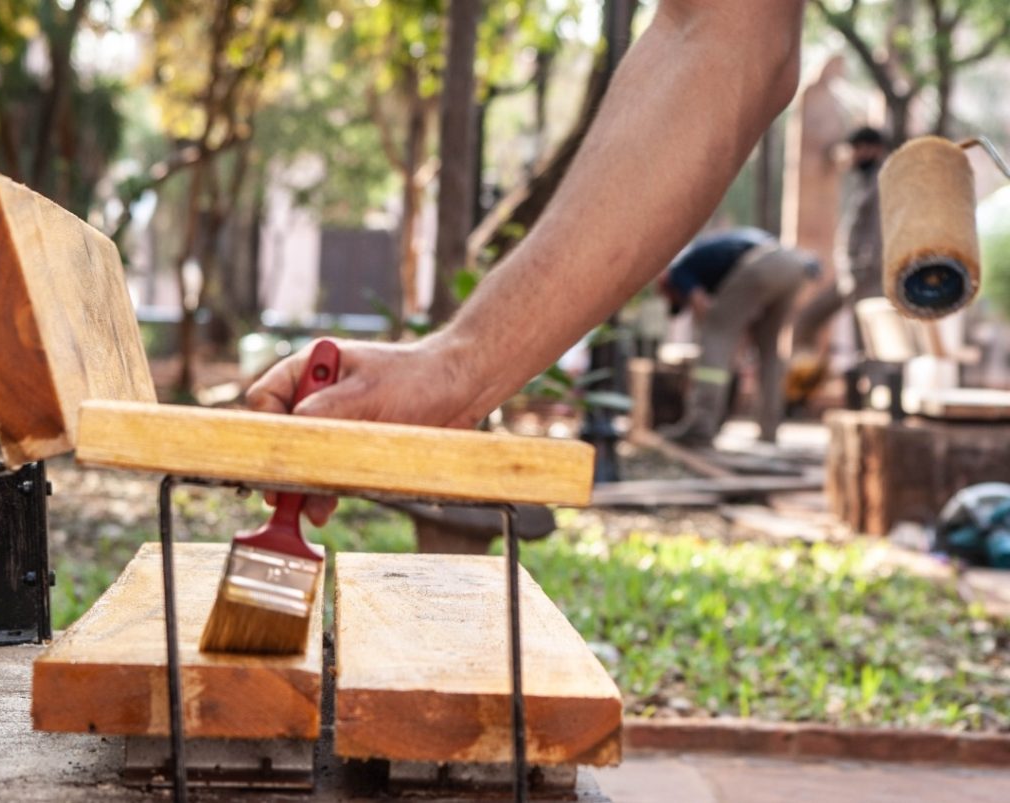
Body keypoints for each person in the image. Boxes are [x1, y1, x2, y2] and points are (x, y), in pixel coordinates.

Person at [249, 0, 808, 523]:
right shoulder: (696, 267)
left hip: (768, 266)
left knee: (721, 336)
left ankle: (710, 423)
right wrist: (454, 369)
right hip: (790, 266)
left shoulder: (683, 275)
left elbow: (724, 36)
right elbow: (720, 35)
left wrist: (455, 366)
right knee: (757, 347)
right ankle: (758, 424)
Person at [656, 228, 818, 446]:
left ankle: (701, 425)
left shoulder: (677, 271)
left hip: (763, 263)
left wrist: (719, 336)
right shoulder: (714, 264)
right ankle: (769, 429)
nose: (683, 305)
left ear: (668, 289)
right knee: (768, 348)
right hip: (793, 266)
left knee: (715, 333)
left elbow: (703, 308)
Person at [787, 125, 890, 399]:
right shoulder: (864, 182)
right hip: (849, 276)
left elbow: (879, 233)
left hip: (869, 277)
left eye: (858, 149)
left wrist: (863, 269)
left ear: (875, 150)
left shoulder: (884, 182)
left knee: (869, 340)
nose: (854, 156)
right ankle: (802, 385)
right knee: (806, 320)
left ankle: (876, 396)